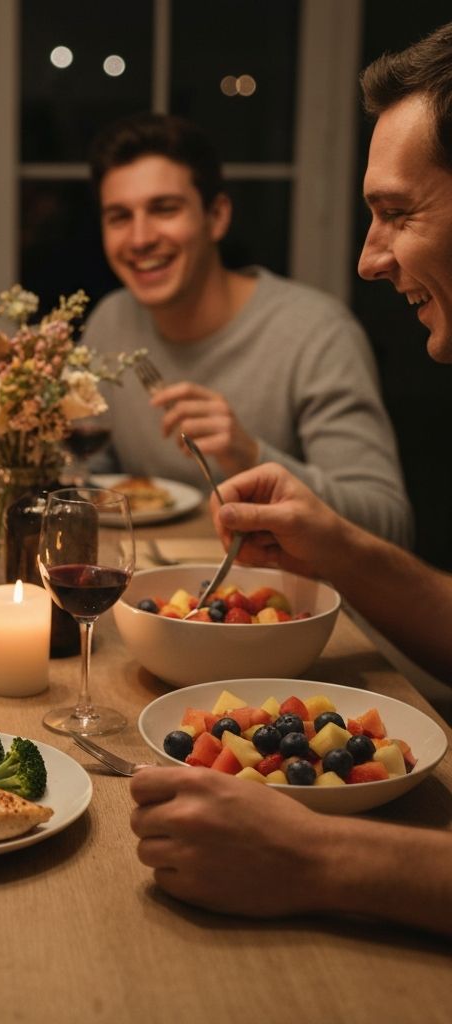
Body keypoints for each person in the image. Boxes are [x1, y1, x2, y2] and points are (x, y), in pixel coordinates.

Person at [130, 23, 452, 938]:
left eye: (398, 212)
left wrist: (323, 858)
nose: (368, 257)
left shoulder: (311, 327)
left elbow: (388, 504)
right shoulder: (116, 322)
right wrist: (337, 549)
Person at [84, 112, 412, 547]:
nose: (140, 238)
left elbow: (388, 524)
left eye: (164, 209)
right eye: (119, 217)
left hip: (284, 599)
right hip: (153, 589)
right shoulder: (110, 321)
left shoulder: (315, 332)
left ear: (216, 217)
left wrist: (250, 456)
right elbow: (90, 471)